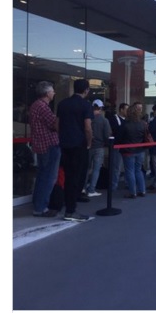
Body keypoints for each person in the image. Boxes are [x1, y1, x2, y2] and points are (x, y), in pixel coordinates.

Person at [56, 78, 93, 222]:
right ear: (86, 90)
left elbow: (57, 124)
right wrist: (89, 143)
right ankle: (71, 210)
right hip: (79, 145)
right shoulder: (86, 105)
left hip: (65, 144)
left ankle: (67, 204)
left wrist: (62, 137)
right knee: (76, 177)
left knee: (67, 175)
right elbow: (88, 127)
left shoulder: (62, 103)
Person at [29, 81, 60, 217]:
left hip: (41, 146)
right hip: (49, 145)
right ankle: (41, 207)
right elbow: (55, 125)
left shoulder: (35, 105)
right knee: (48, 177)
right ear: (47, 93)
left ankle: (37, 203)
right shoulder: (43, 107)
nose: (54, 93)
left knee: (42, 176)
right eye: (52, 91)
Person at [119, 104, 147, 198]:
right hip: (140, 149)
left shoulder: (125, 124)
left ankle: (132, 192)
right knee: (138, 170)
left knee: (130, 171)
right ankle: (142, 190)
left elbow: (120, 137)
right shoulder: (142, 123)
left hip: (128, 150)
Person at [85, 99, 112, 197]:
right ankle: (91, 189)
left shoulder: (87, 118)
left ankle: (83, 188)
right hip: (99, 146)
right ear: (101, 108)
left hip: (87, 146)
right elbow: (107, 135)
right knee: (96, 168)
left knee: (86, 168)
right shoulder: (104, 120)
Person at [109, 102, 128, 191]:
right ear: (121, 109)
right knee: (116, 166)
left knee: (128, 166)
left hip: (126, 146)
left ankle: (128, 183)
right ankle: (114, 185)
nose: (128, 111)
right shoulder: (114, 119)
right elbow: (113, 131)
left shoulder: (129, 120)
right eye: (126, 109)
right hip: (118, 145)